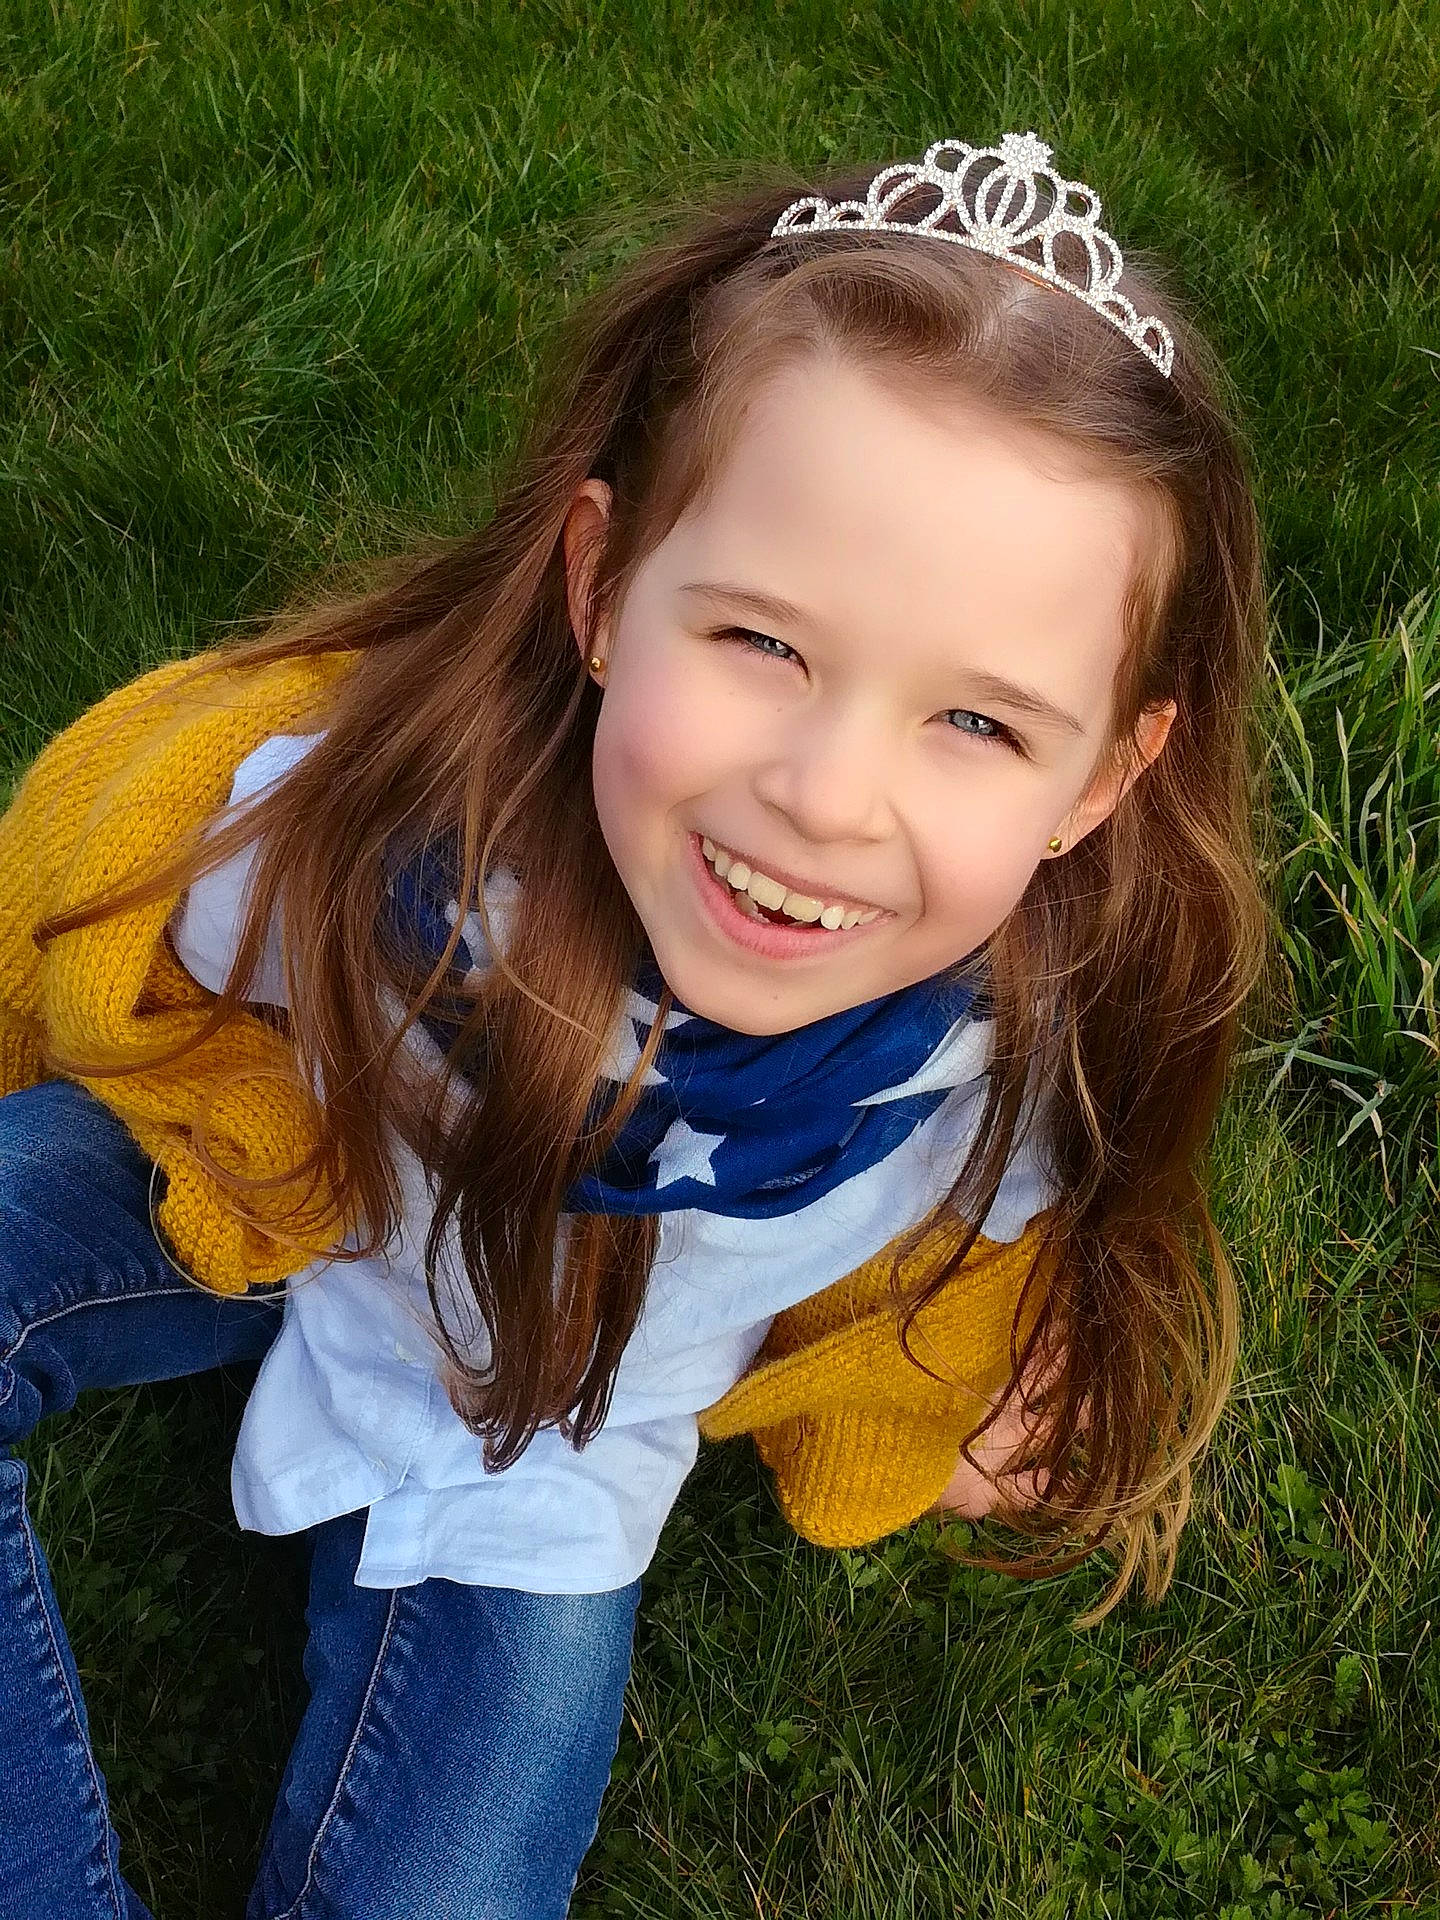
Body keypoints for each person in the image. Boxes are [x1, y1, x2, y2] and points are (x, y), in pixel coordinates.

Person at [0, 133, 1267, 1918]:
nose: (827, 797)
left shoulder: (1007, 1062)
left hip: (550, 1457)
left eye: (977, 725)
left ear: (1103, 775)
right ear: (599, 586)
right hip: (291, 1175)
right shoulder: (364, 825)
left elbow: (993, 1263)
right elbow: (94, 894)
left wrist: (971, 1394)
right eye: (761, 638)